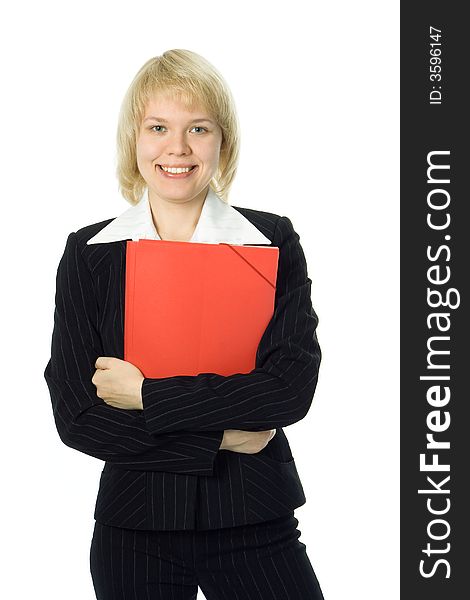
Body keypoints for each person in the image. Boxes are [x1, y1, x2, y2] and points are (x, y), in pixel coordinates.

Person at [44, 49, 325, 600]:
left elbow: (289, 390)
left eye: (198, 127)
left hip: (255, 520)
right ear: (134, 141)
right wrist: (219, 438)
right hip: (135, 528)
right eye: (158, 128)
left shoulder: (271, 242)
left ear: (224, 142)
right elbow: (78, 415)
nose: (177, 148)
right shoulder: (90, 254)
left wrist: (146, 394)